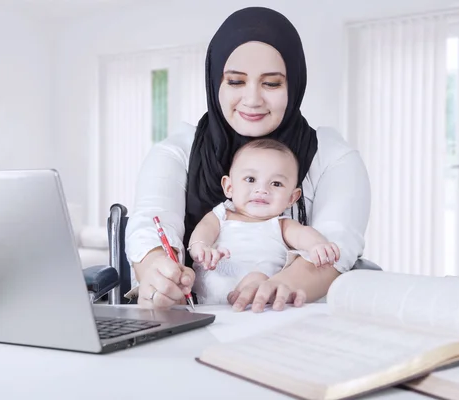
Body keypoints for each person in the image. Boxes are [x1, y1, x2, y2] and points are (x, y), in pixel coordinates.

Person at [124, 6, 371, 313]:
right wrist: (157, 272)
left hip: (294, 326)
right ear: (216, 82)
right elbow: (152, 221)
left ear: (294, 84)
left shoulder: (332, 156)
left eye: (271, 83)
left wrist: (279, 286)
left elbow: (337, 244)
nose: (252, 99)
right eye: (236, 81)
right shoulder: (178, 151)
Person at [189, 138, 341, 305]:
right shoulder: (220, 216)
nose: (262, 190)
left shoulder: (281, 225)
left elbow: (303, 235)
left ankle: (249, 293)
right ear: (229, 187)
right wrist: (202, 248)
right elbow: (203, 231)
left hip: (261, 296)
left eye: (276, 183)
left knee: (258, 278)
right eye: (250, 179)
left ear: (292, 197)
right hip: (211, 294)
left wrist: (317, 246)